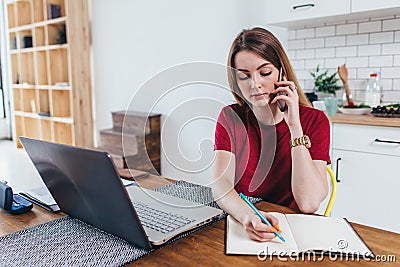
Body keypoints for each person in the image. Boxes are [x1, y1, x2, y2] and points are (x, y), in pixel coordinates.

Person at [212, 27, 331, 242]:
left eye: (265, 73)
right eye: (243, 76)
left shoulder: (315, 121)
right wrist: (248, 216)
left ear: (282, 73)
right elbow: (221, 186)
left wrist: (294, 126)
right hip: (246, 221)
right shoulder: (231, 117)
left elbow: (309, 203)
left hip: (294, 231)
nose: (255, 84)